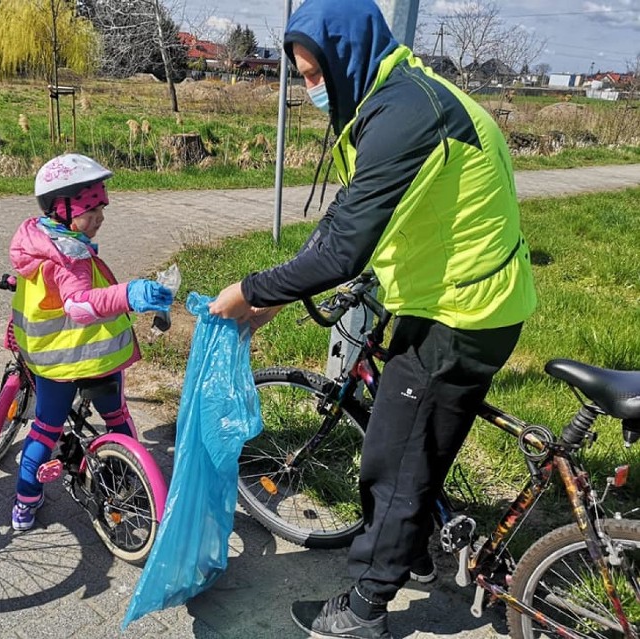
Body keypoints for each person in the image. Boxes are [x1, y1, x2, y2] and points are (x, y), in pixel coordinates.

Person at [208, 0, 537, 636]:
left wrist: (247, 290)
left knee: (394, 459)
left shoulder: (406, 113)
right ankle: (412, 552)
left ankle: (365, 605)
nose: (309, 88)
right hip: (452, 293)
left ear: (346, 53)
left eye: (312, 73)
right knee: (411, 443)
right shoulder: (390, 99)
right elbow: (348, 216)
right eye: (301, 75)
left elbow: (341, 248)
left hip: (464, 311)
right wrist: (277, 293)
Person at [8, 153, 174, 531]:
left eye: (101, 207)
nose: (99, 217)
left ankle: (25, 502)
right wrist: (129, 294)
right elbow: (79, 306)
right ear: (62, 208)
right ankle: (130, 481)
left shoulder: (38, 239)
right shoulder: (71, 256)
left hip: (51, 363)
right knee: (115, 416)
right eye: (90, 208)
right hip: (93, 357)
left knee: (45, 431)